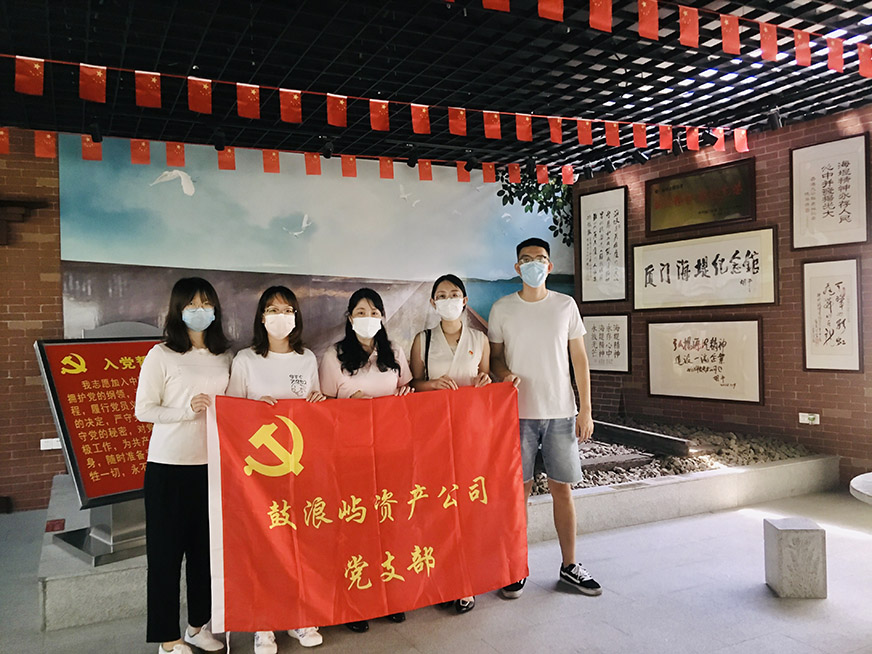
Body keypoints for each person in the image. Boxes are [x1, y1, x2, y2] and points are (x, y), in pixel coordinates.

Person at [488, 237, 602, 599]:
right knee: (517, 493)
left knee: (561, 490)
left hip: (561, 413)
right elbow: (494, 359)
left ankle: (570, 565)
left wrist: (585, 409)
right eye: (526, 259)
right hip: (517, 415)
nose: (533, 264)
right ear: (517, 267)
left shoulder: (565, 306)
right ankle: (515, 567)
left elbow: (579, 359)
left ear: (549, 266)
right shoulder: (502, 309)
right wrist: (504, 374)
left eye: (540, 258)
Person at [226, 286, 325, 653]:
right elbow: (231, 414)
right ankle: (264, 624)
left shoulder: (306, 359)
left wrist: (317, 402)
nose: (280, 316)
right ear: (261, 317)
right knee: (264, 547)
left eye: (287, 309)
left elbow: (316, 409)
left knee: (300, 545)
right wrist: (254, 409)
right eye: (272, 309)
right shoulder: (246, 360)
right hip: (259, 472)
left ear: (296, 316)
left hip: (299, 466)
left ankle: (300, 617)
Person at [135, 277, 231, 654]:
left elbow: (236, 405)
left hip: (212, 467)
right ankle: (168, 639)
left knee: (204, 555)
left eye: (206, 303)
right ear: (178, 309)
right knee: (165, 557)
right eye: (191, 304)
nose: (200, 310)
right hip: (169, 467)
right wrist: (185, 411)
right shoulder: (161, 354)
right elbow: (144, 410)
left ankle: (197, 626)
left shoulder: (224, 356)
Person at [318, 287, 413, 632]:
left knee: (390, 524)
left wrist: (405, 394)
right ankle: (356, 603)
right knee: (356, 526)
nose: (368, 318)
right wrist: (349, 403)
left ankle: (390, 596)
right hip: (351, 453)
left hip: (391, 450)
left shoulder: (394, 351)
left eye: (374, 312)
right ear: (349, 317)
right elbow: (324, 405)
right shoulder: (334, 355)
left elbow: (407, 390)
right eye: (360, 312)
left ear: (382, 317)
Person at [409, 273, 490, 614]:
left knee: (467, 506)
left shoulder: (479, 339)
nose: (448, 299)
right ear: (433, 303)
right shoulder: (423, 340)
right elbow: (412, 384)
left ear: (465, 300)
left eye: (454, 294)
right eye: (441, 295)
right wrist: (432, 385)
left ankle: (465, 580)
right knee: (438, 505)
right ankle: (439, 578)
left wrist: (486, 381)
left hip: (469, 433)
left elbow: (486, 378)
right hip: (433, 434)